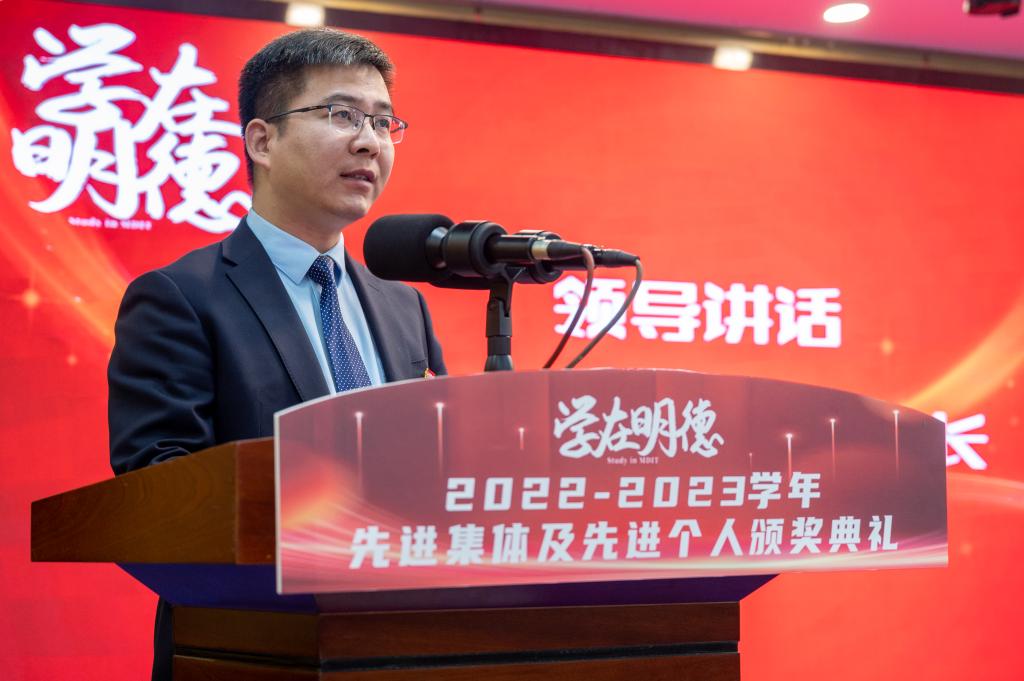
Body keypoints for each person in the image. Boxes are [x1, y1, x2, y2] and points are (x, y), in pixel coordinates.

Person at [107, 28, 446, 680]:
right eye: (342, 115)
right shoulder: (181, 297)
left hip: (400, 643)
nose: (370, 142)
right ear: (261, 141)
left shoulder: (403, 305)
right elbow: (162, 487)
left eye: (383, 122)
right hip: (252, 646)